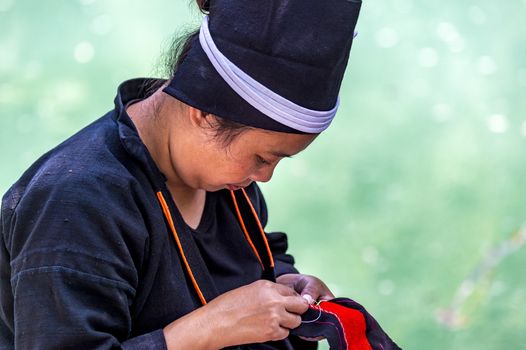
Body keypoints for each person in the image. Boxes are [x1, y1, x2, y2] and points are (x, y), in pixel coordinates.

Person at [0, 0, 361, 349]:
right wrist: (209, 328)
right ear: (203, 112)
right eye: (263, 158)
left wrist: (285, 283)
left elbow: (260, 253)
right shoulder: (75, 204)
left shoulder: (223, 177)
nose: (264, 177)